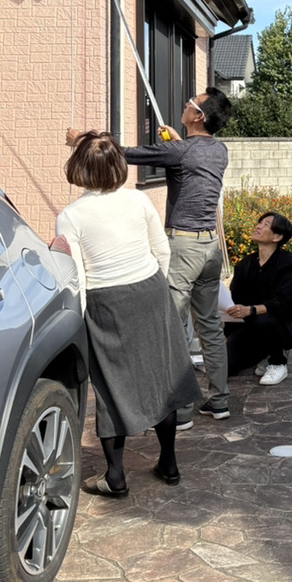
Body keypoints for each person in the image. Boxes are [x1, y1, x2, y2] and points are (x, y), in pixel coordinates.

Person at [67, 86, 233, 430]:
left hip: (184, 249)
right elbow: (189, 157)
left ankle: (180, 414)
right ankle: (219, 401)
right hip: (210, 248)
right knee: (209, 327)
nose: (184, 105)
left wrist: (80, 141)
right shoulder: (218, 150)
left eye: (189, 104)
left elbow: (123, 154)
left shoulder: (180, 151)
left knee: (172, 330)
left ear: (198, 116)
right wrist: (177, 143)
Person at [56, 132, 201, 494]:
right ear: (119, 165)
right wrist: (154, 289)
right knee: (161, 378)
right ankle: (169, 464)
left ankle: (115, 476)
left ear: (78, 167)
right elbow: (161, 250)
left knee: (111, 386)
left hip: (105, 301)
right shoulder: (138, 199)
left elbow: (77, 275)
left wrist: (83, 321)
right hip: (150, 289)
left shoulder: (70, 216)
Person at [224, 212, 292, 386]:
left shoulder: (288, 265)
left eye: (265, 224)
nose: (258, 226)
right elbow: (235, 301)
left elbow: (286, 302)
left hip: (280, 327)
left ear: (277, 237)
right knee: (226, 366)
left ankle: (278, 362)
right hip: (248, 326)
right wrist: (228, 335)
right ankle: (264, 355)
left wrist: (251, 310)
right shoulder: (245, 265)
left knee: (264, 319)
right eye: (259, 222)